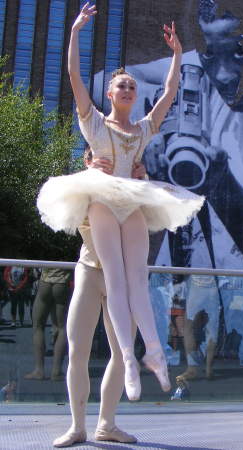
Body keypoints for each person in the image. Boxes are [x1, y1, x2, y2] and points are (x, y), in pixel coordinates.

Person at [37, 2, 205, 401]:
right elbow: (75, 76)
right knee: (114, 275)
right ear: (110, 93)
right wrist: (76, 31)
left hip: (132, 199)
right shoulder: (93, 121)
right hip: (100, 198)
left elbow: (168, 94)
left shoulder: (145, 129)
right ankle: (128, 356)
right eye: (121, 85)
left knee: (137, 279)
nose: (128, 89)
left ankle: (155, 352)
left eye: (132, 85)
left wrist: (178, 54)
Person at [53, 151, 143, 447]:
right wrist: (91, 176)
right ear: (87, 160)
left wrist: (141, 181)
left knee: (123, 352)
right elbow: (63, 206)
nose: (108, 162)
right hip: (89, 272)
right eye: (100, 158)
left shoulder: (132, 186)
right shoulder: (80, 190)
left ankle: (107, 424)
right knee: (77, 350)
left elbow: (151, 223)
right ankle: (77, 426)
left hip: (125, 278)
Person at [24, 268, 71, 381]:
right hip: (62, 283)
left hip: (45, 281)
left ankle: (39, 370)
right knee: (62, 328)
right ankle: (56, 371)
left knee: (38, 326)